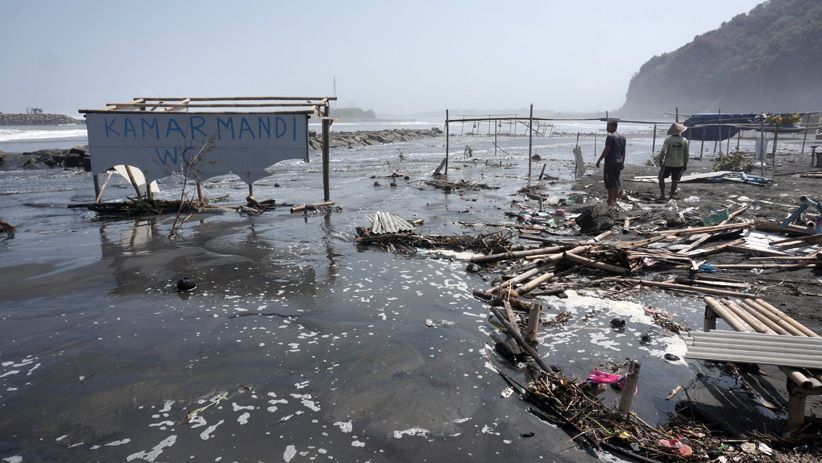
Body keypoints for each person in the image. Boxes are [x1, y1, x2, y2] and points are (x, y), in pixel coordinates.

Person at [595, 120, 626, 205]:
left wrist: (599, 160)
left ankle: (610, 200)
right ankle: (614, 200)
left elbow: (606, 150)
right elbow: (623, 151)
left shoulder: (611, 137)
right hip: (618, 162)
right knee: (616, 180)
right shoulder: (622, 137)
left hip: (611, 162)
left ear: (613, 126)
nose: (606, 128)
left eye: (608, 126)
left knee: (610, 182)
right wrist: (623, 162)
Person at [657, 122, 689, 200]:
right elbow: (686, 154)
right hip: (679, 164)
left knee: (661, 178)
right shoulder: (684, 140)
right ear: (680, 131)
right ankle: (671, 197)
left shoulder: (668, 140)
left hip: (668, 163)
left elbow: (662, 151)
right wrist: (685, 164)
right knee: (674, 180)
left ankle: (663, 195)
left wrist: (660, 160)